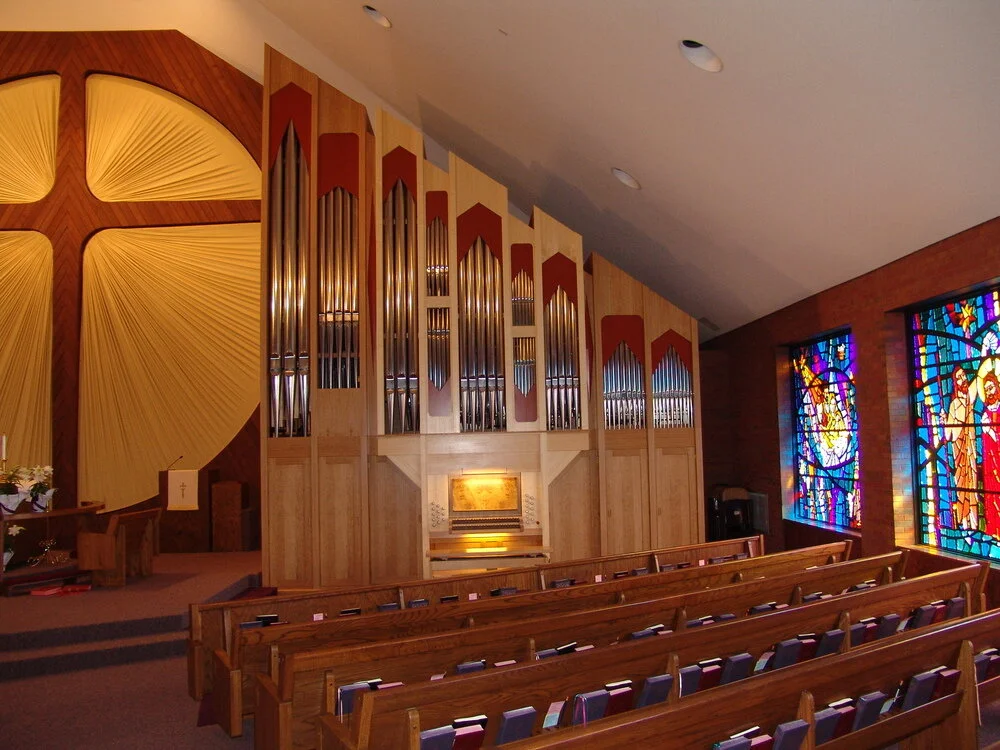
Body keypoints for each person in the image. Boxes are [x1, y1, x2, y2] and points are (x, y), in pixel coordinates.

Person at [942, 367, 979, 530]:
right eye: (959, 377)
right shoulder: (954, 404)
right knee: (962, 484)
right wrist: (944, 421)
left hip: (970, 449)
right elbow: (949, 434)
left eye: (964, 375)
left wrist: (985, 352)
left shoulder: (969, 398)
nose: (963, 379)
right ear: (955, 383)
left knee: (973, 483)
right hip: (959, 449)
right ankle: (964, 521)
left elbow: (978, 381)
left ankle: (975, 520)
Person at [982, 371, 1000, 538]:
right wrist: (985, 429)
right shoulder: (985, 414)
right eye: (986, 389)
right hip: (991, 462)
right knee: (993, 494)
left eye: (991, 387)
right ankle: (995, 529)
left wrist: (992, 432)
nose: (990, 392)